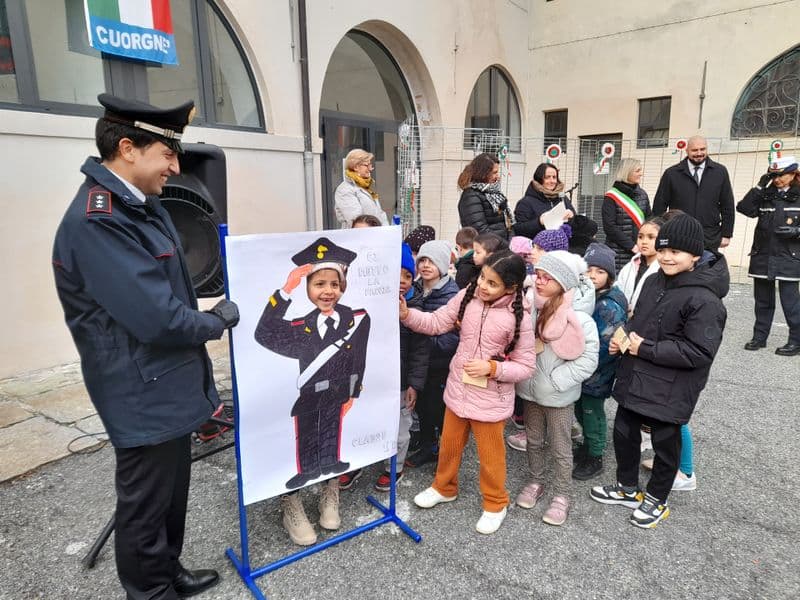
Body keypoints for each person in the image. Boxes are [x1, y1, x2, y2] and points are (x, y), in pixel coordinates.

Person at [52, 94, 238, 599]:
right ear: (128, 148)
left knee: (170, 493)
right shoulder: (99, 221)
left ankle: (167, 572)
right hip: (139, 389)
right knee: (144, 504)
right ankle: (150, 591)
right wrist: (216, 320)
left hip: (165, 381)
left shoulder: (141, 207)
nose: (175, 167)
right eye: (168, 154)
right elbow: (158, 318)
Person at [591, 213, 728, 529]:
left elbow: (699, 352)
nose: (666, 257)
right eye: (663, 249)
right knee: (624, 432)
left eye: (675, 251)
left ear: (695, 255)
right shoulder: (654, 280)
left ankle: (657, 498)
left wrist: (645, 349)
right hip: (636, 374)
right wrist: (623, 338)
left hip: (672, 386)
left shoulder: (706, 299)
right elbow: (637, 320)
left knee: (665, 444)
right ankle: (627, 488)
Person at [400, 251, 535, 534]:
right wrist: (407, 315)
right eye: (482, 277)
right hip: (458, 389)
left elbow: (526, 366)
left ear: (511, 287)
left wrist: (493, 368)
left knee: (491, 457)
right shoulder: (467, 296)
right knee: (449, 445)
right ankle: (444, 487)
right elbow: (436, 322)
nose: (483, 285)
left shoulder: (519, 317)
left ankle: (496, 503)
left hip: (490, 398)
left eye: (492, 283)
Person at [254, 237, 369, 544]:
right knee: (307, 436)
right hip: (309, 395)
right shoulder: (300, 327)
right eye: (319, 284)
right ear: (307, 287)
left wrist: (353, 393)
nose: (327, 291)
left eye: (334, 284)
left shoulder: (356, 320)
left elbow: (359, 358)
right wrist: (286, 289)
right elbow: (263, 333)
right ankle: (296, 492)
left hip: (337, 392)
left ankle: (330, 486)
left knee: (331, 434)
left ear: (343, 286)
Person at [514, 251, 599, 526]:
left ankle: (562, 494)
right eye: (537, 275)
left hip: (558, 396)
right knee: (534, 440)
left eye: (546, 278)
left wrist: (556, 381)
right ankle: (535, 480)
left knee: (561, 447)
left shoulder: (579, 319)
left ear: (563, 282)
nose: (538, 281)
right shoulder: (529, 308)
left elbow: (588, 360)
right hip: (530, 390)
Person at [374, 242, 430, 492]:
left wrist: (414, 385)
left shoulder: (415, 307)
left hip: (401, 381)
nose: (402, 281)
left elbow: (420, 351)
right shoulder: (373, 303)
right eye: (395, 274)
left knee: (400, 426)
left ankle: (394, 467)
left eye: (407, 275)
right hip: (375, 379)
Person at [572, 243, 628, 480]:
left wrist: (582, 362)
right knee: (580, 408)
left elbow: (606, 346)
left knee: (592, 412)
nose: (593, 275)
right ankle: (587, 445)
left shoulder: (608, 305)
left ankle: (595, 456)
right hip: (583, 367)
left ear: (610, 276)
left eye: (600, 271)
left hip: (597, 371)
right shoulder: (588, 295)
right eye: (589, 270)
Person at [403, 240, 460, 468]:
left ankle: (445, 455)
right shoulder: (415, 288)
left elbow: (452, 338)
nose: (426, 265)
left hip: (439, 365)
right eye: (422, 260)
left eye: (432, 261)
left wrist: (421, 345)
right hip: (420, 364)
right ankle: (427, 446)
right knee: (423, 408)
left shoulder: (451, 294)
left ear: (443, 265)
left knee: (439, 412)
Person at [736, 156, 800, 356]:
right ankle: (759, 337)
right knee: (762, 301)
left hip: (789, 256)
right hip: (763, 255)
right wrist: (759, 187)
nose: (777, 179)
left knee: (791, 303)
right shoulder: (766, 194)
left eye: (781, 175)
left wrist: (797, 232)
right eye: (773, 176)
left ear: (793, 174)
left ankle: (796, 341)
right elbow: (744, 208)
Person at [652, 135, 735, 251]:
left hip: (710, 236)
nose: (699, 153)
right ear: (687, 151)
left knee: (707, 263)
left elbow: (727, 204)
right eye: (694, 150)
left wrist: (727, 234)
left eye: (702, 149)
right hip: (679, 233)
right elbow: (659, 205)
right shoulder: (671, 174)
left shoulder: (720, 172)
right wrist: (658, 231)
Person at [602, 158, 652, 271]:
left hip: (640, 252)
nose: (641, 173)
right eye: (637, 171)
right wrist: (631, 246)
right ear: (627, 172)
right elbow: (609, 227)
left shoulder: (642, 194)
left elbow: (649, 220)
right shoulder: (611, 197)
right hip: (618, 253)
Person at [615, 216, 665, 315]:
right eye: (640, 237)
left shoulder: (664, 269)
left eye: (651, 237)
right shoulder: (630, 266)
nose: (644, 242)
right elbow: (617, 290)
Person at [457, 153, 514, 240]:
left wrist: (511, 242)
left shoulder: (494, 193)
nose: (497, 176)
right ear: (483, 173)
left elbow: (508, 224)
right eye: (494, 173)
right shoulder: (471, 196)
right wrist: (503, 245)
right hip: (487, 246)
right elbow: (480, 230)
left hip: (501, 244)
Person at [513, 162, 575, 240]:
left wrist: (571, 216)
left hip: (562, 243)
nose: (552, 181)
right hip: (537, 245)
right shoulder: (525, 202)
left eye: (554, 177)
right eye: (547, 177)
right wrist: (539, 222)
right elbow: (519, 230)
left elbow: (573, 224)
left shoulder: (562, 198)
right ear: (539, 179)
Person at [334, 149, 389, 228]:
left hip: (376, 233)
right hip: (362, 234)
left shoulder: (366, 186)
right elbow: (356, 222)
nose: (370, 169)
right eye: (367, 165)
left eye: (370, 165)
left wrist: (385, 230)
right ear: (356, 167)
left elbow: (380, 214)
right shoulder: (345, 190)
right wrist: (376, 232)